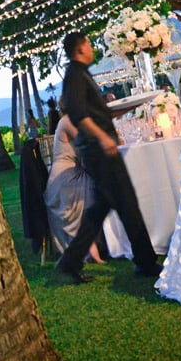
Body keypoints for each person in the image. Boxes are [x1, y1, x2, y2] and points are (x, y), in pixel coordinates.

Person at [53, 32, 160, 284]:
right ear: (80, 50)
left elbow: (96, 111)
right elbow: (79, 114)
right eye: (89, 44)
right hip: (98, 150)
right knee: (127, 203)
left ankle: (71, 260)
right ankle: (145, 262)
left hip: (98, 150)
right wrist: (103, 137)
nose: (92, 48)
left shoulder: (81, 74)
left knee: (101, 207)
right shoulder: (75, 76)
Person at [44, 115, 114, 262]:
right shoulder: (68, 121)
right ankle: (92, 245)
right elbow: (88, 142)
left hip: (72, 172)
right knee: (99, 187)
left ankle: (102, 242)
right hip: (64, 179)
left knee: (102, 184)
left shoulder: (75, 120)